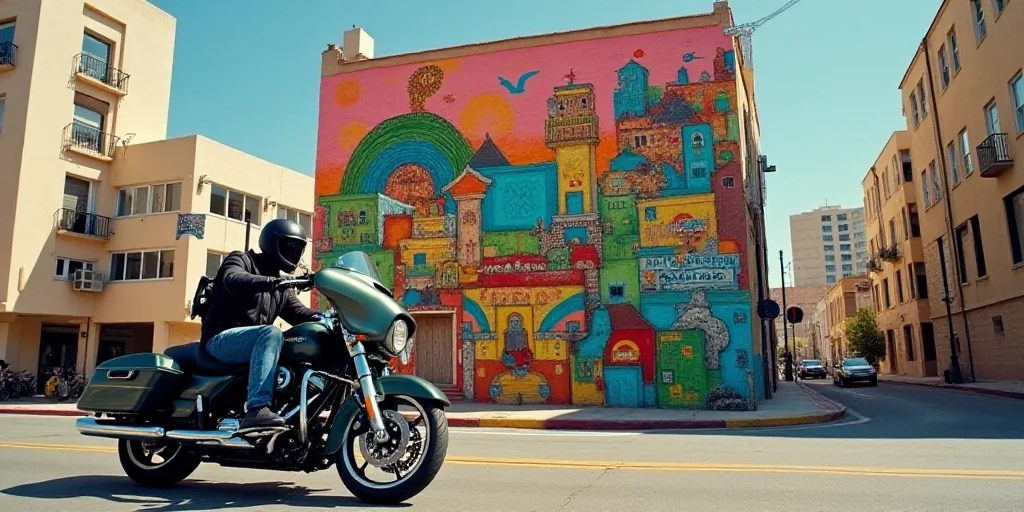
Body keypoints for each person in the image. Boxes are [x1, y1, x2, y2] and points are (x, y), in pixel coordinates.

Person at [201, 218, 321, 432]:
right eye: (288, 247)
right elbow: (232, 279)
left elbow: (300, 313)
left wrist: (330, 317)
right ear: (272, 243)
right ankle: (257, 409)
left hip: (251, 343)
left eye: (297, 249)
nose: (293, 254)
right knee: (271, 334)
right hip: (220, 339)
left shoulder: (281, 287)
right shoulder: (241, 260)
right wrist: (270, 282)